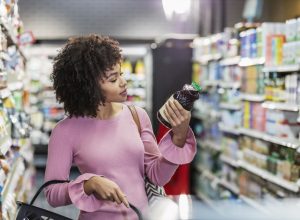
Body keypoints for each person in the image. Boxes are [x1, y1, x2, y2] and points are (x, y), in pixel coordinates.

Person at [44, 34, 197, 220]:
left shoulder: (137, 116)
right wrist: (89, 184)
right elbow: (52, 194)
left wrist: (178, 138)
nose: (124, 82)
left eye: (121, 74)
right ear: (89, 87)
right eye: (113, 79)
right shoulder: (64, 132)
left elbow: (157, 176)